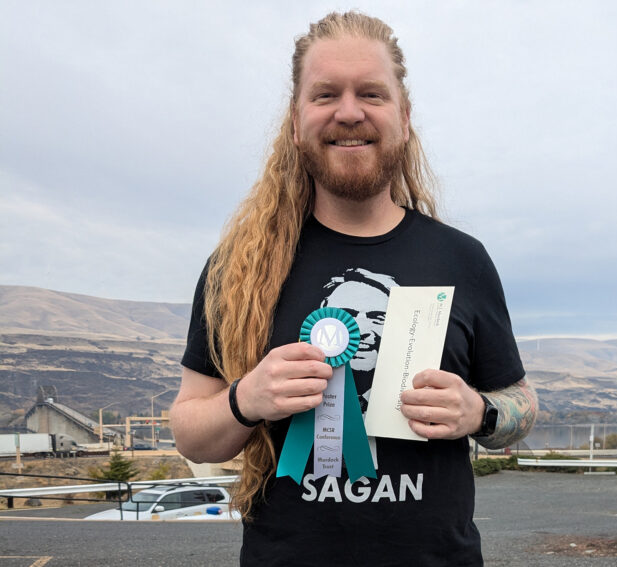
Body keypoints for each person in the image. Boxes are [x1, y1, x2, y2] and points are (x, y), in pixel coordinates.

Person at [171, 11, 538, 567]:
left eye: (371, 93)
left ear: (404, 116)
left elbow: (523, 404)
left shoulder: (463, 259)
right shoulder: (238, 268)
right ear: (296, 121)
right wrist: (246, 399)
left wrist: (480, 413)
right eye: (324, 95)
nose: (349, 112)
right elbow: (190, 433)